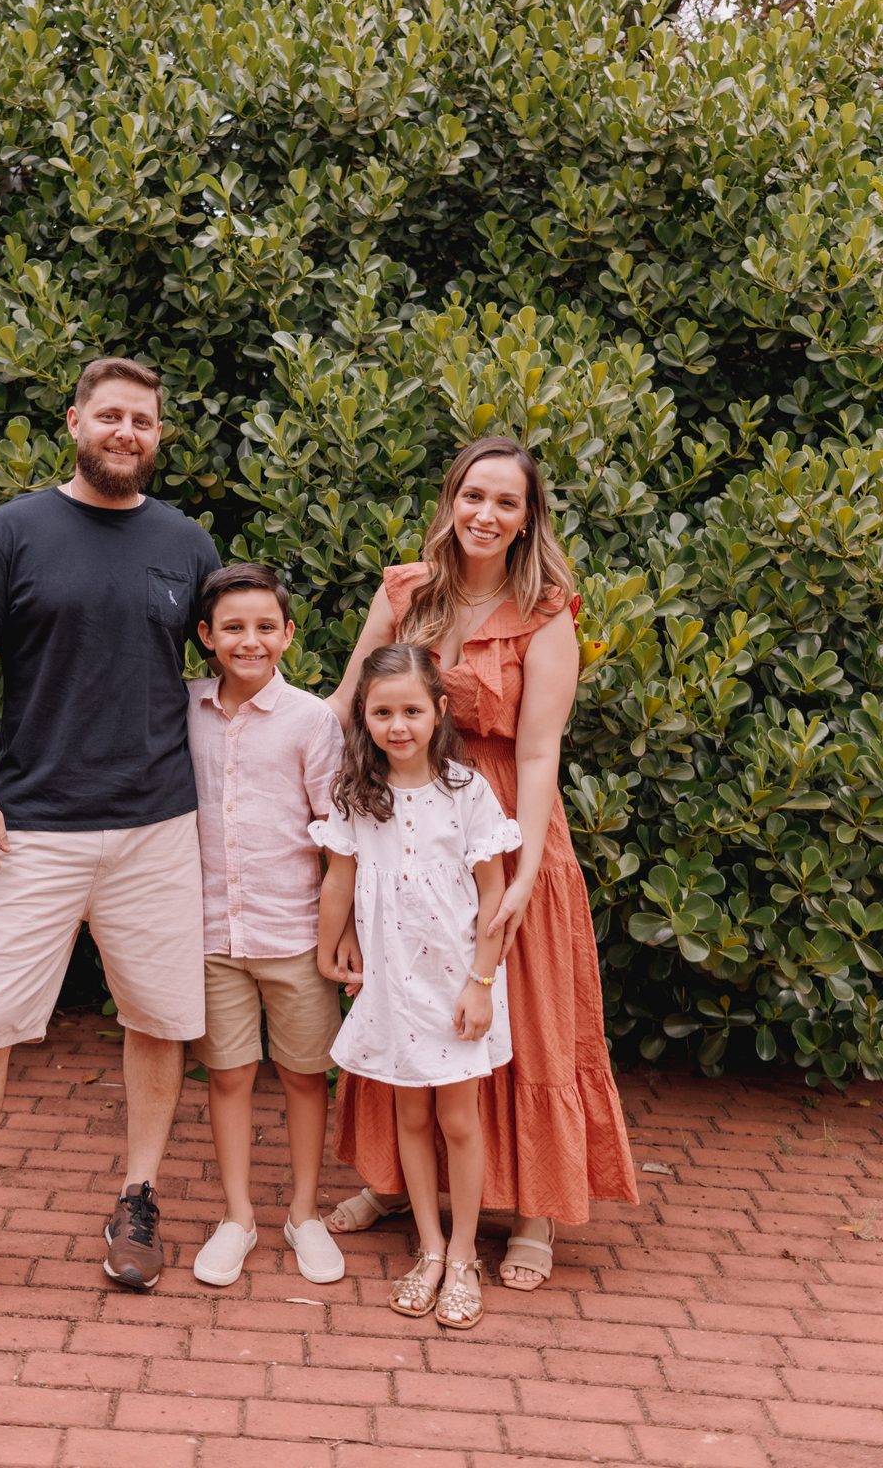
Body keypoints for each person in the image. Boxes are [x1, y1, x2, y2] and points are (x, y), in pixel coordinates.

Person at [0, 357, 221, 1323]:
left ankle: (139, 1197)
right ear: (76, 420)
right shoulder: (14, 531)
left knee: (158, 1019)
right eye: (111, 415)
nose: (127, 431)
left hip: (159, 825)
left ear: (159, 436)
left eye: (144, 421)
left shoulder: (187, 543)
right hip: (31, 830)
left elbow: (243, 662)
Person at [323, 436, 638, 1289]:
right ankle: (391, 1183)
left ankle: (530, 1211)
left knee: (520, 1008)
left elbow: (538, 754)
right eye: (473, 496)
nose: (486, 515)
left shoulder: (546, 611)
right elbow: (350, 702)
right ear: (450, 500)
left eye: (506, 502)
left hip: (503, 822)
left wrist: (529, 864)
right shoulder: (408, 591)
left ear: (528, 516)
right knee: (405, 993)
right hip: (403, 819)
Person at [315, 643, 520, 1328]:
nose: (396, 725)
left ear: (437, 711)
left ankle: (464, 1254)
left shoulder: (467, 792)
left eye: (410, 710)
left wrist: (482, 983)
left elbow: (492, 900)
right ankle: (428, 1248)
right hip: (392, 986)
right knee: (408, 1116)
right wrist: (330, 947)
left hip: (457, 983)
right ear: (364, 717)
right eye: (381, 712)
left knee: (459, 1119)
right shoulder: (356, 793)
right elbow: (341, 877)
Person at [187, 564, 347, 1288]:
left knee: (305, 1077)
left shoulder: (312, 720)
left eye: (263, 627)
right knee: (228, 1076)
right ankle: (238, 1216)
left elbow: (336, 834)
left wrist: (341, 931)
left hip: (292, 934)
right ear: (206, 638)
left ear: (287, 634)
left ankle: (304, 1213)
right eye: (232, 628)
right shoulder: (183, 708)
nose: (248, 641)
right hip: (209, 934)